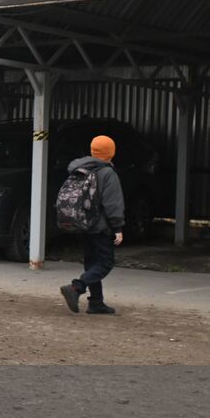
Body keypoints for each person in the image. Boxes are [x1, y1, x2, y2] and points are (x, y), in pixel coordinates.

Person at [59, 135, 126, 315]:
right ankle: (76, 288)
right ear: (111, 153)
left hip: (82, 222)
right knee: (105, 262)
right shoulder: (107, 173)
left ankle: (96, 302)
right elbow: (113, 203)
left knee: (91, 262)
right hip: (100, 225)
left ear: (92, 150)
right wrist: (118, 227)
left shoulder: (80, 168)